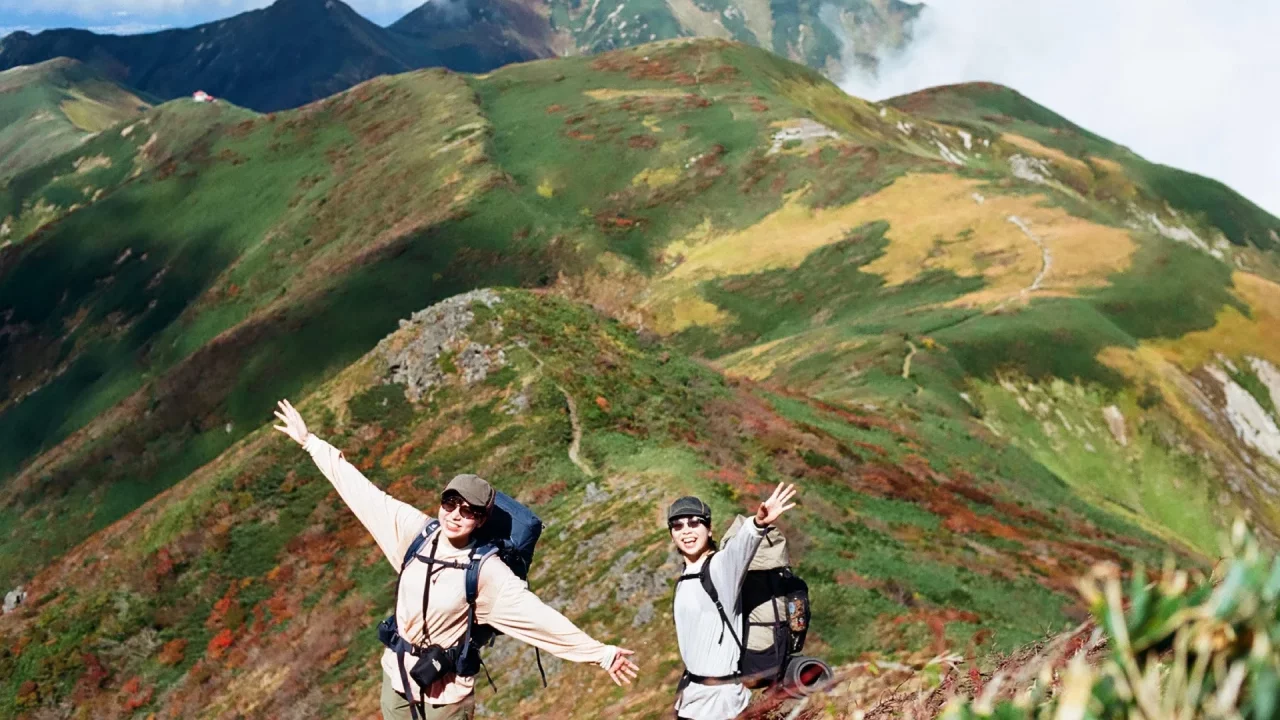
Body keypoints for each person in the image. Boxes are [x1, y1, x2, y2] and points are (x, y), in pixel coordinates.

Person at [273, 399, 640, 720]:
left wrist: (601, 654)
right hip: (397, 677)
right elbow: (362, 492)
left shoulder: (487, 572)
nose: (455, 514)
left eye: (468, 510)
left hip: (447, 695)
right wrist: (310, 442)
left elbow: (540, 619)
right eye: (450, 503)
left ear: (480, 519)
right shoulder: (414, 533)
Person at [668, 483, 798, 720]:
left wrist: (758, 524)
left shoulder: (721, 569)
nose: (686, 531)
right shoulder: (685, 577)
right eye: (678, 525)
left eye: (695, 523)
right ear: (672, 534)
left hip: (721, 704)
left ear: (709, 529)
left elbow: (739, 550)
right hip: (691, 698)